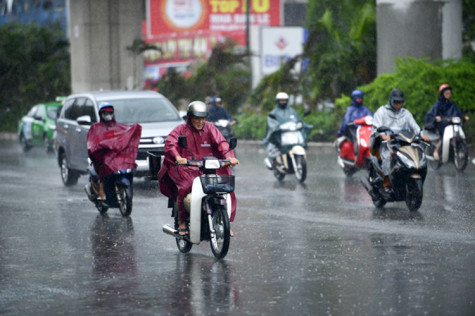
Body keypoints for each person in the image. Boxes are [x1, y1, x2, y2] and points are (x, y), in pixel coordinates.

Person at [157, 101, 239, 236]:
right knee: (185, 187)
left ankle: (225, 222)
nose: (200, 121)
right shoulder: (180, 130)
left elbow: (222, 143)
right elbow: (170, 145)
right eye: (196, 118)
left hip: (208, 167)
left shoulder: (210, 128)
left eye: (203, 118)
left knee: (225, 188)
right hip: (186, 168)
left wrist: (230, 156)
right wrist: (178, 158)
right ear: (190, 117)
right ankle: (182, 221)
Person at [370, 89, 429, 193]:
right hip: (387, 143)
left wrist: (422, 135)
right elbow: (376, 127)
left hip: (404, 142)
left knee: (418, 154)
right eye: (396, 102)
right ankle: (386, 182)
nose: (398, 105)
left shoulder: (406, 113)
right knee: (388, 157)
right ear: (391, 101)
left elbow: (415, 127)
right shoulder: (382, 111)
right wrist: (383, 135)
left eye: (400, 102)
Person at [85, 102, 141, 200]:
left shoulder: (118, 127)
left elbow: (124, 136)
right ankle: (102, 192)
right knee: (102, 168)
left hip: (115, 155)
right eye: (105, 113)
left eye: (110, 113)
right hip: (102, 155)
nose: (108, 115)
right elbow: (91, 143)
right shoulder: (95, 128)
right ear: (101, 114)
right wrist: (100, 145)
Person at [263, 92, 306, 169]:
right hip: (280, 135)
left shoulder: (292, 111)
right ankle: (273, 161)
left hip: (291, 134)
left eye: (285, 100)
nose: (283, 102)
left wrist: (300, 123)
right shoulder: (274, 112)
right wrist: (276, 127)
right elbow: (271, 122)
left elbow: (298, 119)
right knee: (274, 149)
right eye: (281, 101)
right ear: (278, 101)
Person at [425, 84, 469, 160]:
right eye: (446, 93)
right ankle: (436, 151)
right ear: (442, 94)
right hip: (441, 124)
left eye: (449, 93)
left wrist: (463, 118)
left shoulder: (452, 104)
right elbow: (431, 114)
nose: (449, 95)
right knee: (444, 133)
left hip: (451, 124)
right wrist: (436, 117)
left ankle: (461, 149)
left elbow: (458, 113)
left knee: (458, 130)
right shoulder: (438, 104)